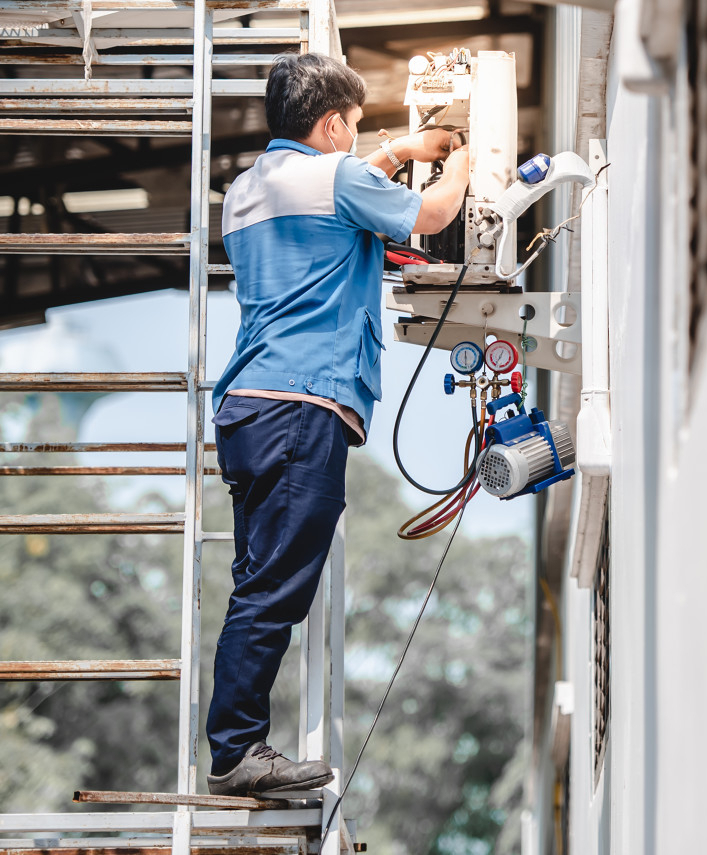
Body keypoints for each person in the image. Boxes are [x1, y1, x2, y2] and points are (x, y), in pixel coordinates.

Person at [205, 52, 469, 797]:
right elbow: (433, 216)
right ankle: (236, 752)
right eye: (352, 127)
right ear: (329, 124)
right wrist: (462, 164)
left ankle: (235, 742)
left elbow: (331, 189)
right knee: (276, 588)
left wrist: (396, 150)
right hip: (303, 404)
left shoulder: (245, 190)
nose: (357, 140)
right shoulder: (338, 178)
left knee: (257, 581)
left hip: (248, 407)